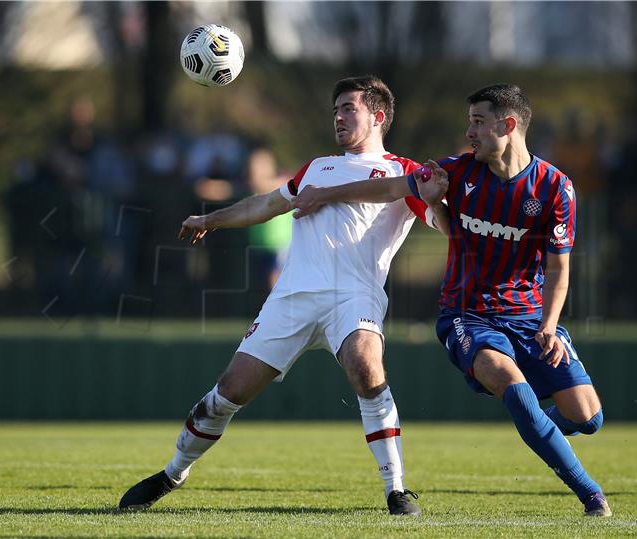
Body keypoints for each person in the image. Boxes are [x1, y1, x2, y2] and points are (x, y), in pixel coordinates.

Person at [118, 76, 438, 516]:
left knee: (366, 367)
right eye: (335, 111)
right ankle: (172, 473)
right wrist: (213, 219)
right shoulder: (318, 167)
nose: (339, 117)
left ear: (378, 116)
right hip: (292, 297)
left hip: (355, 296)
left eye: (349, 108)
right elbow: (267, 204)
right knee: (229, 392)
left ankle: (397, 490)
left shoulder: (406, 172)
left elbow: (439, 221)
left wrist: (447, 208)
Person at [290, 84, 612, 517]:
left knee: (588, 418)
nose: (469, 131)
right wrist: (323, 194)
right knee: (518, 395)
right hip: (467, 317)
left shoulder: (555, 187)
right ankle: (593, 496)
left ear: (508, 125)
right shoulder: (453, 173)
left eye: (478, 122)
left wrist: (550, 325)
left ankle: (533, 425)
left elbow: (559, 267)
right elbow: (386, 189)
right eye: (470, 122)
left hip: (531, 317)